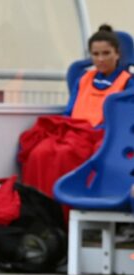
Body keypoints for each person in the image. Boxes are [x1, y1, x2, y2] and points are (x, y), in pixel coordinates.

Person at [19, 24, 133, 199]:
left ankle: (65, 209)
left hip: (104, 136)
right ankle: (42, 210)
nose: (101, 59)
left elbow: (126, 122)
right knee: (39, 153)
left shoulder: (128, 83)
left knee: (65, 155)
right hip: (74, 132)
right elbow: (69, 112)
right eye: (95, 54)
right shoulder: (83, 79)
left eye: (106, 53)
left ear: (117, 54)